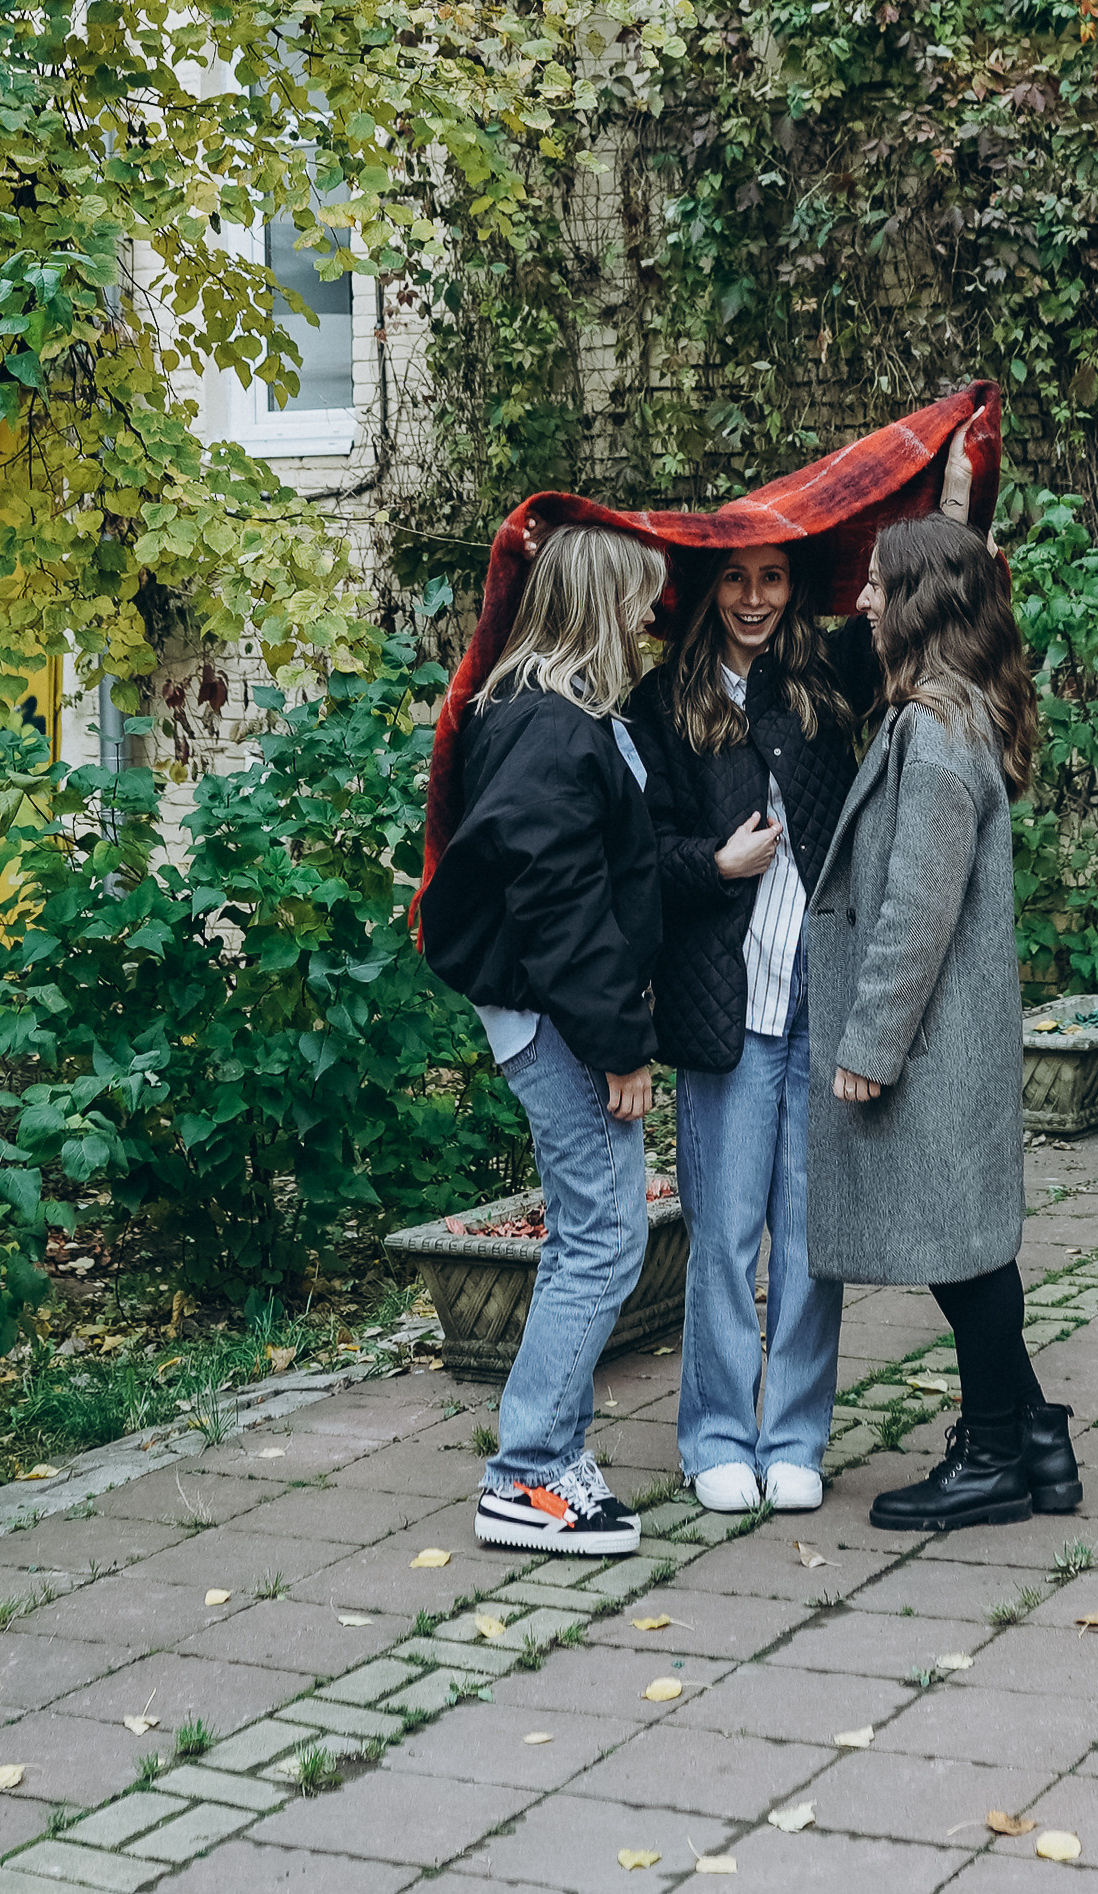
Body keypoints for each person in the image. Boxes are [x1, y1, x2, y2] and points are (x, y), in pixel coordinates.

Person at [806, 510, 1082, 1530]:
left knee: (959, 1258)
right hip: (953, 1037)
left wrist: (868, 1045)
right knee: (971, 1250)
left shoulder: (929, 736)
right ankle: (1030, 1439)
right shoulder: (952, 711)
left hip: (925, 1043)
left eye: (877, 584)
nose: (862, 600)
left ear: (916, 600)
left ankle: (994, 1456)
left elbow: (916, 913)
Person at [418, 521, 668, 1557]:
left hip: (557, 1012)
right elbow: (556, 903)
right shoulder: (550, 727)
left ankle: (550, 1457)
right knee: (606, 1237)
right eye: (639, 598)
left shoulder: (548, 713)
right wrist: (619, 1041)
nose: (653, 617)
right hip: (559, 1020)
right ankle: (525, 1474)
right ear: (598, 603)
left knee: (588, 1233)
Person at [629, 542, 880, 1514]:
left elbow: (925, 596)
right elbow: (640, 851)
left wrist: (953, 482)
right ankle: (718, 1435)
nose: (752, 597)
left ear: (796, 587)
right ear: (705, 590)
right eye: (734, 577)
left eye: (771, 577)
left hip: (821, 1001)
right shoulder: (663, 703)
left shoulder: (828, 679)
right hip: (725, 1005)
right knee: (726, 1235)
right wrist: (716, 864)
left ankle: (795, 1435)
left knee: (813, 1239)